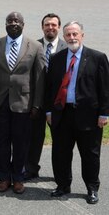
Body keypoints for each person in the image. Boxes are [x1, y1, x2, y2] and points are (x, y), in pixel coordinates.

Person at [0, 11, 45, 194]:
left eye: (17, 21)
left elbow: (39, 79)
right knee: (0, 142)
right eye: (10, 21)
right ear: (5, 24)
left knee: (21, 143)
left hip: (24, 103)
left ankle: (18, 178)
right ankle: (3, 178)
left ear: (23, 24)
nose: (13, 23)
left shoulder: (35, 46)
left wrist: (36, 105)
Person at [46, 21, 109, 204]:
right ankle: (63, 185)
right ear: (64, 37)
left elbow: (105, 89)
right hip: (61, 114)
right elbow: (50, 88)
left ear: (82, 35)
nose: (72, 37)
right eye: (68, 35)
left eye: (75, 34)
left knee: (90, 154)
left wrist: (104, 114)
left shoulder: (98, 57)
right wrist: (49, 111)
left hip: (89, 116)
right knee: (60, 153)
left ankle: (92, 188)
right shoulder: (56, 58)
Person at [24, 13, 67, 181]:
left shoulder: (67, 47)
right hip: (38, 100)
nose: (50, 27)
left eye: (54, 25)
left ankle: (61, 173)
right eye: (47, 24)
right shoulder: (34, 46)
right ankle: (31, 168)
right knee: (34, 137)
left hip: (59, 102)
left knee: (61, 140)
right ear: (42, 27)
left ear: (58, 27)